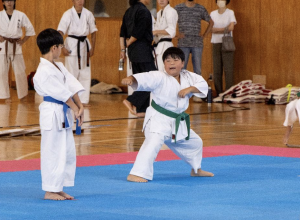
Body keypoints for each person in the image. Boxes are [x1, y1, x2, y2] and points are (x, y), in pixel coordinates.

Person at [121, 47, 214, 182]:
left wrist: (190, 89)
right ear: (164, 64)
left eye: (175, 60)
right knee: (153, 143)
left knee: (195, 142)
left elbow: (202, 84)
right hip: (159, 118)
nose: (171, 63)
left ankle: (196, 169)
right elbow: (145, 78)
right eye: (168, 60)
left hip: (177, 120)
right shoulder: (159, 76)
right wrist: (131, 79)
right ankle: (137, 173)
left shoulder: (189, 76)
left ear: (182, 63)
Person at [34, 28, 85, 200]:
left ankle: (58, 187)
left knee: (66, 151)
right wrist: (74, 107)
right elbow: (62, 93)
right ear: (54, 47)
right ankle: (50, 189)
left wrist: (80, 105)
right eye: (61, 46)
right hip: (52, 111)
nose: (62, 49)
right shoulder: (43, 71)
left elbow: (71, 84)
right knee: (52, 151)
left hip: (63, 113)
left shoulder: (59, 66)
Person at [120, 0, 157, 118]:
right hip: (142, 50)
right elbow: (138, 32)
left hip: (133, 52)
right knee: (152, 79)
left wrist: (123, 50)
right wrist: (129, 43)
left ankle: (142, 110)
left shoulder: (128, 11)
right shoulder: (143, 11)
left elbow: (122, 33)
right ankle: (132, 100)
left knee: (142, 80)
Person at [58, 0, 98, 107]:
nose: (80, 1)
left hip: (84, 46)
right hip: (71, 45)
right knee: (71, 74)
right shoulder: (67, 14)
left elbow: (94, 32)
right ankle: (71, 100)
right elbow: (60, 32)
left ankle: (83, 100)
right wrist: (62, 47)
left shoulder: (88, 14)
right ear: (73, 1)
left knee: (85, 74)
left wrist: (93, 48)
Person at [0, 0, 35, 103]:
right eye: (6, 1)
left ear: (14, 2)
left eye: (11, 0)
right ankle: (5, 96)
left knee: (20, 72)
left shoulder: (21, 15)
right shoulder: (0, 15)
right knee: (2, 72)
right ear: (3, 3)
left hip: (16, 46)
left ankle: (23, 95)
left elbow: (30, 29)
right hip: (3, 45)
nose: (9, 3)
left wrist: (23, 40)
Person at [174, 0, 213, 76]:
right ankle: (182, 87)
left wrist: (204, 35)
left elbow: (211, 22)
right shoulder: (178, 8)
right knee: (181, 69)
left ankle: (197, 87)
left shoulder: (200, 8)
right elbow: (170, 21)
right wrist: (176, 36)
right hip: (183, 43)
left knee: (197, 70)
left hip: (197, 43)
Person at [210, 0, 237, 96]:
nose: (221, 1)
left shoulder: (230, 12)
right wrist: (224, 29)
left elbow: (231, 28)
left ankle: (228, 93)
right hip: (215, 42)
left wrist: (217, 30)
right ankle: (219, 93)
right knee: (216, 70)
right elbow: (210, 29)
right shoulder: (212, 14)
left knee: (228, 69)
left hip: (227, 43)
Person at [153, 0, 178, 71]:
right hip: (159, 45)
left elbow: (172, 31)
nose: (161, 0)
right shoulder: (158, 13)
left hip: (166, 44)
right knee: (158, 70)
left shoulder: (171, 11)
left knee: (165, 71)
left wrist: (155, 32)